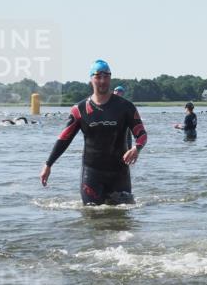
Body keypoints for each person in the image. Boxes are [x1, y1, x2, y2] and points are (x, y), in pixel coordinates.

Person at [39, 60, 147, 205]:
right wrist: (48, 164)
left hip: (119, 174)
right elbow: (64, 138)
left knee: (123, 221)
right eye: (98, 76)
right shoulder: (80, 109)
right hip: (92, 174)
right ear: (91, 79)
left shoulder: (125, 107)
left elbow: (141, 134)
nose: (102, 80)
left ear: (110, 77)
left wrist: (137, 148)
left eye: (106, 76)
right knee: (92, 217)